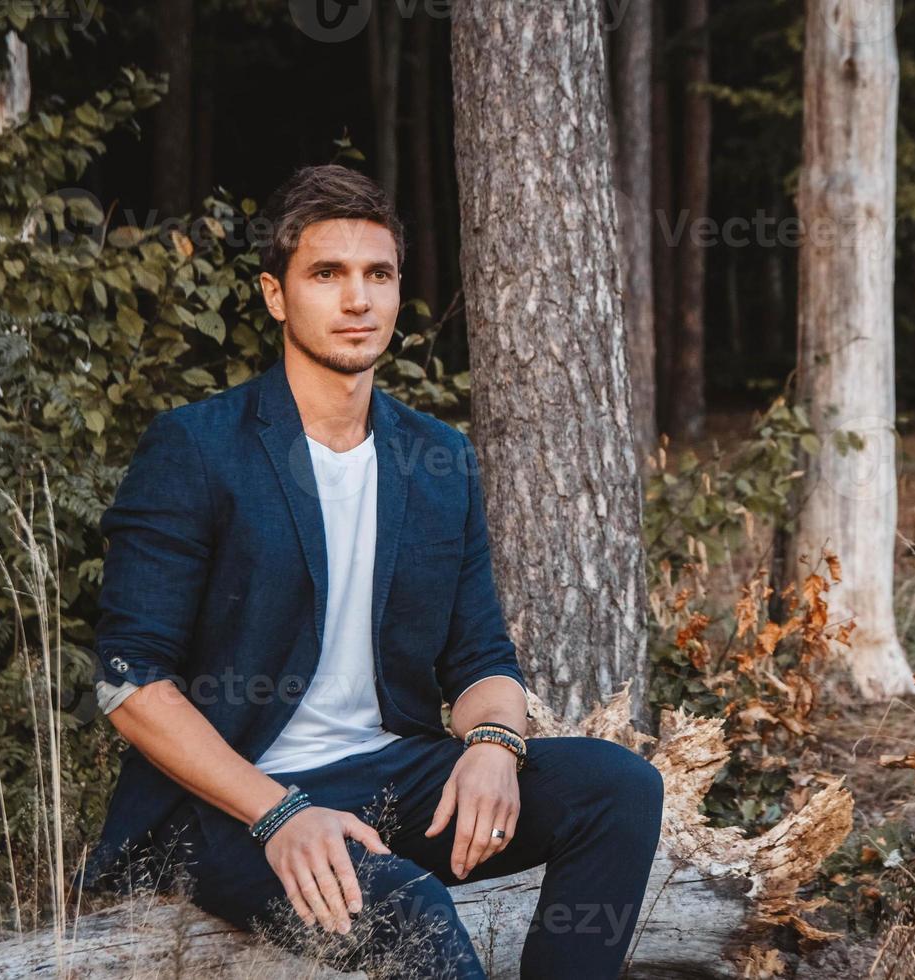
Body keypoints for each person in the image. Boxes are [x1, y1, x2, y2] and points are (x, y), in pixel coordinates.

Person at [74, 163, 664, 979]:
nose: (358, 301)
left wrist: (495, 742)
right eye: (327, 274)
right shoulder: (199, 447)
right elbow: (131, 683)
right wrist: (278, 811)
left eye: (377, 274)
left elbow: (483, 658)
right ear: (276, 295)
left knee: (619, 787)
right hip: (227, 806)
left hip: (390, 778)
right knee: (413, 907)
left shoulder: (436, 459)